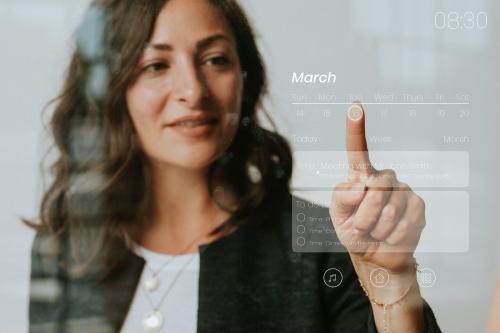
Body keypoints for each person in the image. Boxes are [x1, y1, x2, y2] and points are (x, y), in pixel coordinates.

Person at [26, 0, 442, 332]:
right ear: (111, 91)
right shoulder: (68, 246)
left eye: (215, 60)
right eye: (156, 65)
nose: (193, 90)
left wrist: (395, 284)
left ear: (245, 81)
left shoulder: (322, 243)